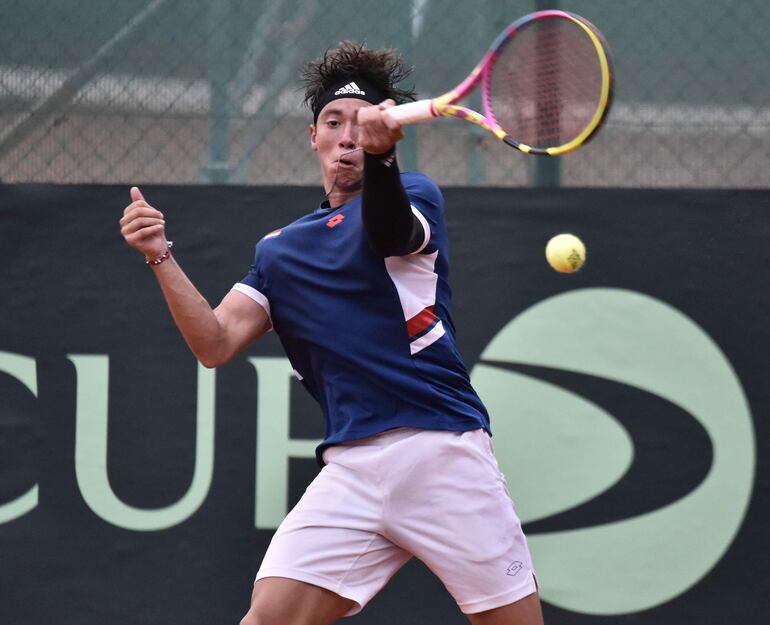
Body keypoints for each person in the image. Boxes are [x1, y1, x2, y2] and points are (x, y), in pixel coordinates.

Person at [120, 41, 544, 625]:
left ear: (386, 131)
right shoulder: (279, 251)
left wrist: (385, 161)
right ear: (313, 137)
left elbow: (393, 235)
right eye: (332, 122)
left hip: (441, 451)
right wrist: (159, 256)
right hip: (352, 470)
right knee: (266, 619)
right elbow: (214, 344)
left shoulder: (414, 194)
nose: (346, 136)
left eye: (359, 124)